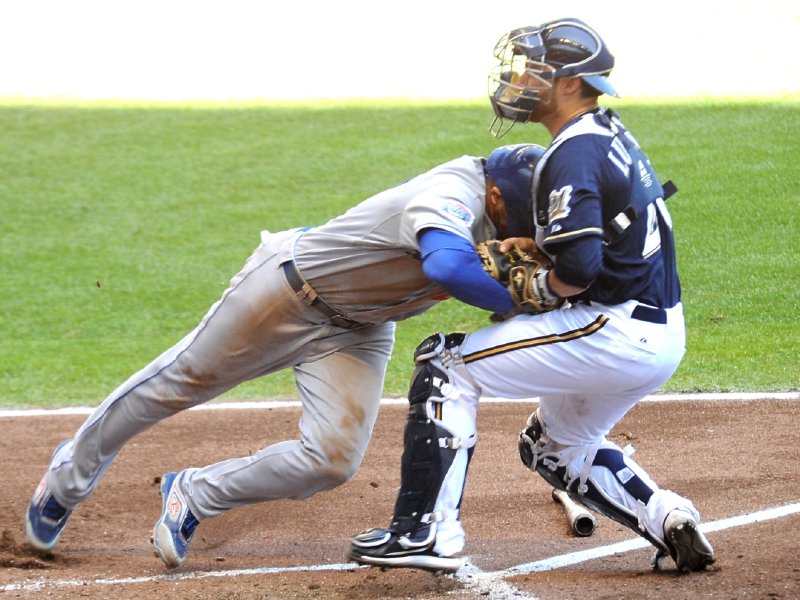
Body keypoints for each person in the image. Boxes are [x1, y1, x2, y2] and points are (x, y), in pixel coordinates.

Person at [23, 143, 548, 568]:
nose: (526, 238)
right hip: (287, 293)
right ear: (497, 198)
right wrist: (519, 296)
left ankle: (194, 495)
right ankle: (68, 477)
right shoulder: (450, 192)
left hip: (358, 330)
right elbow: (450, 269)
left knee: (332, 459)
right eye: (523, 221)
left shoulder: (508, 212)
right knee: (177, 382)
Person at [349, 17, 715, 574]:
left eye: (534, 68)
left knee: (447, 367)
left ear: (570, 83)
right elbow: (606, 243)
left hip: (612, 330)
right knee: (551, 447)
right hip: (658, 333)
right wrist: (542, 252)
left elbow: (582, 268)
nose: (519, 79)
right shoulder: (608, 137)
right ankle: (667, 517)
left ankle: (426, 532)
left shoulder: (570, 153)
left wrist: (538, 288)